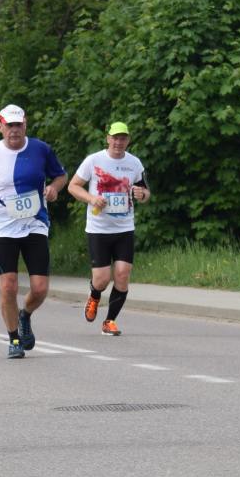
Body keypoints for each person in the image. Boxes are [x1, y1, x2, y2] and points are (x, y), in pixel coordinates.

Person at [0, 104, 68, 359]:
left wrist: (54, 189)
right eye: (9, 125)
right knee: (8, 287)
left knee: (40, 289)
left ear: (25, 124)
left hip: (35, 224)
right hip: (4, 228)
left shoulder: (40, 149)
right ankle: (14, 339)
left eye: (18, 125)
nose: (14, 130)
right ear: (0, 127)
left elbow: (61, 176)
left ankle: (25, 315)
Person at [67, 121, 150, 336]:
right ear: (108, 139)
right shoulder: (94, 160)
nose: (118, 142)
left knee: (122, 274)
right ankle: (94, 295)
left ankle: (109, 321)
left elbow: (145, 193)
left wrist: (142, 195)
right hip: (99, 229)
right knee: (102, 280)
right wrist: (91, 198)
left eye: (123, 138)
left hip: (124, 228)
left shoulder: (134, 163)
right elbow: (73, 186)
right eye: (115, 138)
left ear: (128, 140)